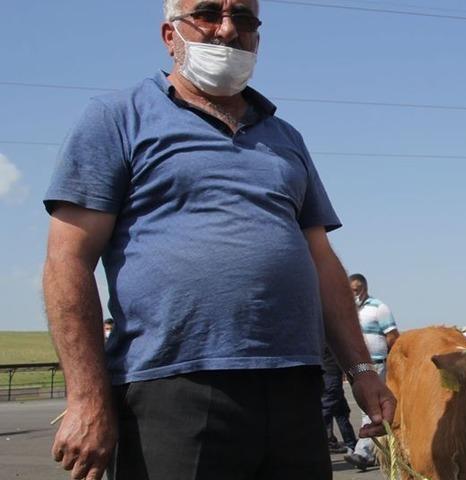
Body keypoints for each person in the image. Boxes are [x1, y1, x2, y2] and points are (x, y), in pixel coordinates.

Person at [41, 2, 395, 479]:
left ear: (258, 39)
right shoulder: (117, 117)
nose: (228, 30)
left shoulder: (285, 136)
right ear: (170, 35)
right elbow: (67, 260)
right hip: (173, 386)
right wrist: (86, 397)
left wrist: (361, 371)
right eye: (208, 13)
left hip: (293, 388)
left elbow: (322, 261)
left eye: (244, 19)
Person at [344, 273, 400, 470]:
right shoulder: (348, 311)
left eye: (356, 290)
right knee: (365, 408)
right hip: (356, 367)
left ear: (364, 289)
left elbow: (392, 337)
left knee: (372, 406)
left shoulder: (379, 308)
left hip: (376, 365)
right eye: (349, 291)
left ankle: (363, 452)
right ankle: (378, 450)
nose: (353, 294)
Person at [321, 346, 357, 454]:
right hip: (331, 378)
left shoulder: (322, 338)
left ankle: (351, 444)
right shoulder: (330, 339)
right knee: (327, 413)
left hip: (330, 377)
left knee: (341, 412)